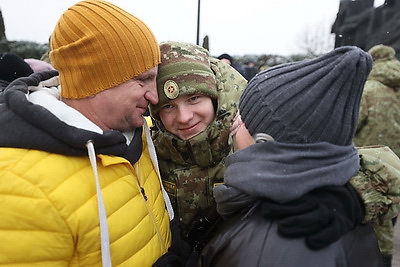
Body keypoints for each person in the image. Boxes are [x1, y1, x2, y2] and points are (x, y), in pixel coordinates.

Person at [0, 1, 181, 266]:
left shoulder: (139, 132)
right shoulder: (19, 185)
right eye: (141, 80)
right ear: (94, 79)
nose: (154, 96)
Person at [198, 46, 384, 267]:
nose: (234, 125)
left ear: (266, 142)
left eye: (244, 118)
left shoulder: (265, 248)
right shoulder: (341, 205)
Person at [149, 41, 247, 250]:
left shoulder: (248, 142)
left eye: (193, 98)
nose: (183, 118)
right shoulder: (148, 154)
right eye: (168, 106)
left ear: (214, 97)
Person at [354, 44, 400, 267]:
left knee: (375, 220)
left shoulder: (367, 89)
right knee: (392, 212)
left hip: (374, 165)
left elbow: (351, 124)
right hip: (397, 163)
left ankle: (380, 259)